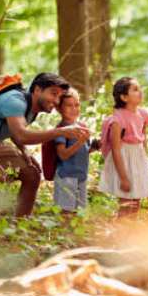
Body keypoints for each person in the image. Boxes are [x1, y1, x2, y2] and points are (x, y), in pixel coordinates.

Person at [0, 72, 90, 222]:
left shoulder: (32, 110)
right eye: (53, 93)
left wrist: (24, 152)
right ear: (37, 90)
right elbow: (22, 134)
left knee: (32, 173)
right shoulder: (15, 102)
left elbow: (14, 132)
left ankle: (19, 225)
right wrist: (60, 132)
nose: (56, 100)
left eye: (59, 96)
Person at [99, 77, 148, 218]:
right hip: (124, 160)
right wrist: (123, 178)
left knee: (136, 202)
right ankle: (120, 234)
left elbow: (143, 138)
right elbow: (116, 150)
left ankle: (131, 234)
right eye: (135, 89)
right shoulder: (118, 120)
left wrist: (144, 162)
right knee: (126, 203)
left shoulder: (143, 115)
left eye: (139, 88)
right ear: (124, 97)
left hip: (138, 158)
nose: (140, 92)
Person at [53, 88, 100, 216]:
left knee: (79, 212)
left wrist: (95, 147)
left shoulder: (81, 126)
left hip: (81, 176)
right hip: (66, 177)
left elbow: (83, 151)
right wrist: (80, 141)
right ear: (59, 109)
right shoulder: (62, 129)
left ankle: (74, 236)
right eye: (69, 105)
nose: (74, 108)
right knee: (66, 212)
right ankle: (63, 234)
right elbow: (63, 154)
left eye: (77, 104)